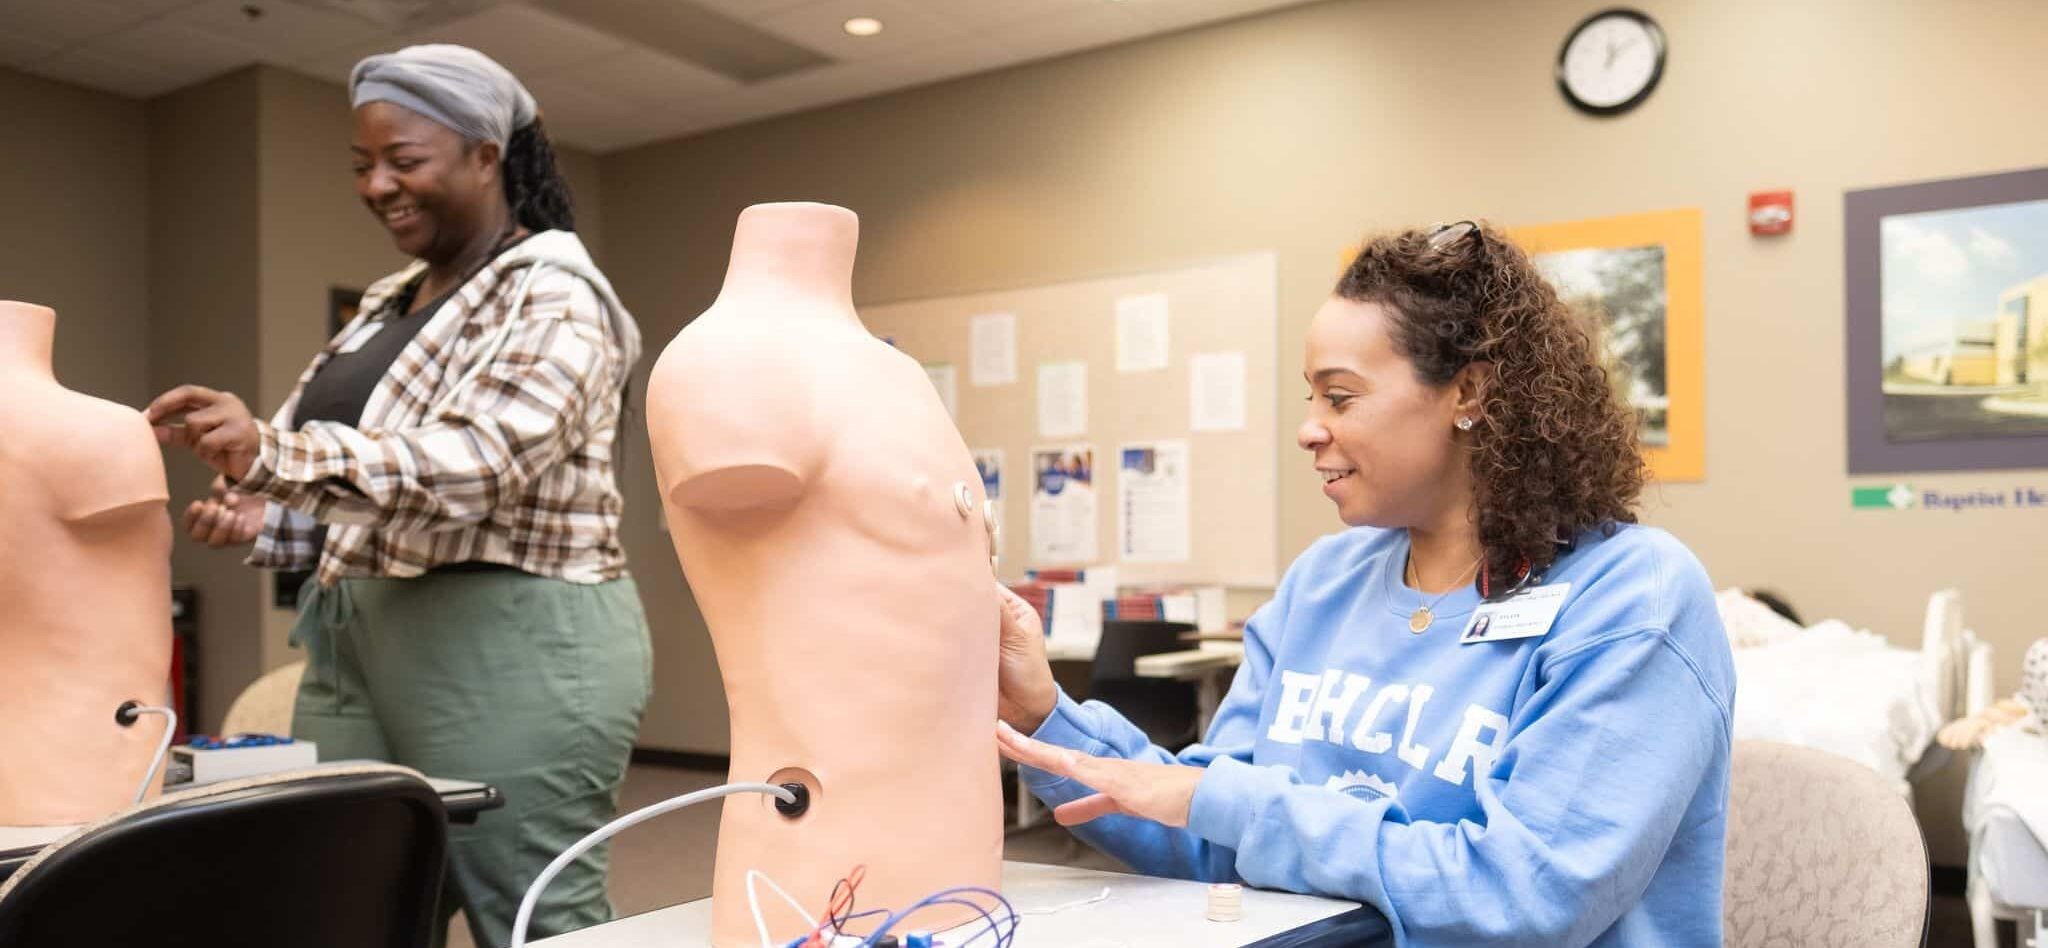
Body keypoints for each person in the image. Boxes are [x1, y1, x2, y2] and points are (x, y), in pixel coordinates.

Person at [994, 221, 1735, 947]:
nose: (1308, 429)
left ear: (1470, 393)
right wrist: (1043, 714)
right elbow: (1215, 844)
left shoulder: (1631, 598)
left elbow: (1521, 898)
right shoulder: (1323, 583)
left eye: (1340, 397)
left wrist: (1228, 806)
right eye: (1310, 398)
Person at [145, 44, 650, 946]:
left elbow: (482, 462)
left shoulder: (557, 294)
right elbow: (362, 476)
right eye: (362, 165)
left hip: (512, 643)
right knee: (341, 901)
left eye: (405, 160)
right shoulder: (386, 302)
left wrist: (272, 452)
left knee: (531, 916)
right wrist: (273, 510)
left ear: (487, 156)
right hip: (356, 642)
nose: (378, 184)